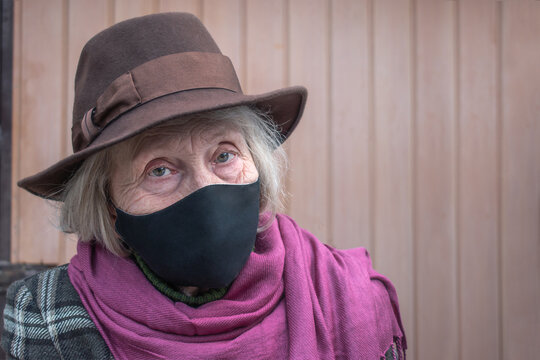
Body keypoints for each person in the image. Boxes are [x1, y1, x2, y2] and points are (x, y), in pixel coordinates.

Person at [1, 13, 406, 360]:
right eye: (159, 170)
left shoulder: (351, 297)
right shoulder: (45, 317)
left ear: (258, 167)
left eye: (224, 155)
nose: (205, 189)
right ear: (108, 203)